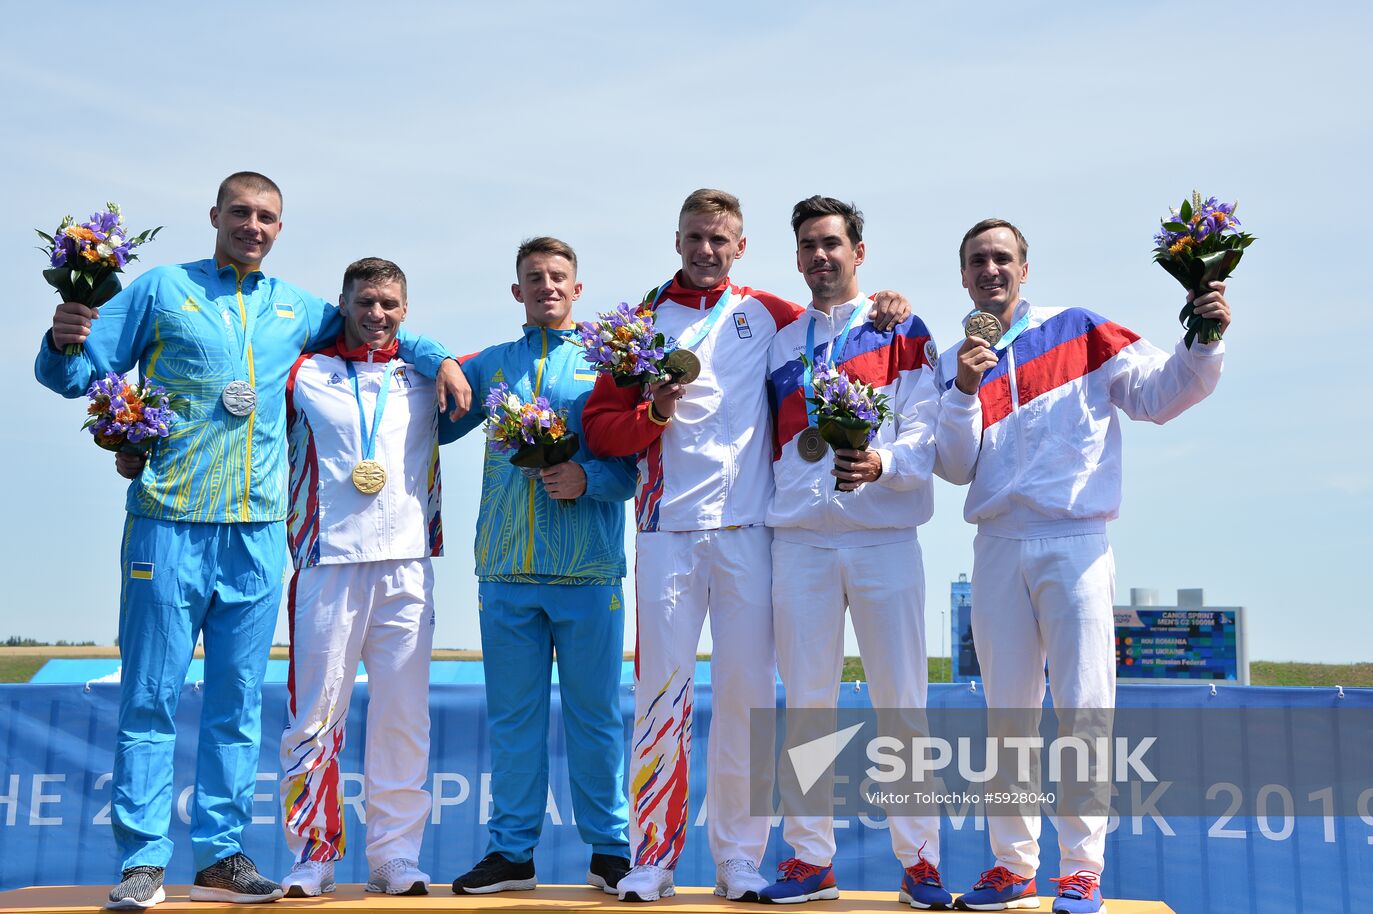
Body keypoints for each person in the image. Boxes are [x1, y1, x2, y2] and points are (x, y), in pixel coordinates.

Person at [35, 172, 468, 910]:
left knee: (238, 703)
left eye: (267, 216)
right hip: (168, 518)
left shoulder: (296, 308)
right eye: (241, 212)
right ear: (215, 215)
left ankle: (220, 854)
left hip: (261, 530)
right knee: (151, 696)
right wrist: (61, 336)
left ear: (279, 227)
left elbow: (377, 322)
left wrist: (441, 356)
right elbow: (75, 374)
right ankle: (142, 860)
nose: (254, 225)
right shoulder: (162, 288)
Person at [582, 189, 909, 903]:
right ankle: (655, 859)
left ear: (741, 247)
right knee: (660, 698)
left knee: (747, 702)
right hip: (667, 532)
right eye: (695, 237)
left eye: (720, 240)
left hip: (754, 534)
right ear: (677, 241)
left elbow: (839, 321)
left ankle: (739, 857)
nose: (707, 250)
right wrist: (653, 410)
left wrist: (887, 304)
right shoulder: (639, 324)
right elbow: (602, 429)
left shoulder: (768, 314)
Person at [934, 219, 1230, 914]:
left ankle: (1081, 870)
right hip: (998, 544)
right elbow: (951, 466)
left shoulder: (1082, 330)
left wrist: (1204, 337)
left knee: (1084, 712)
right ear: (963, 275)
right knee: (1005, 717)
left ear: (1025, 268)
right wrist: (960, 392)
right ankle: (1012, 867)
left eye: (1002, 258)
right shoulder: (959, 356)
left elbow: (1162, 395)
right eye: (978, 261)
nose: (991, 270)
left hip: (1076, 541)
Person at [760, 196, 948, 908]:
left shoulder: (899, 326)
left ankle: (922, 861)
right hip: (801, 541)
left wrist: (884, 465)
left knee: (903, 704)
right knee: (807, 707)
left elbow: (927, 427)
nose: (820, 256)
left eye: (832, 243)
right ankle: (811, 860)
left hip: (883, 538)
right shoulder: (782, 340)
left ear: (859, 253)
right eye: (808, 245)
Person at [443, 238, 637, 897]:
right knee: (513, 719)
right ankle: (512, 853)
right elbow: (432, 417)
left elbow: (638, 457)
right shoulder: (492, 365)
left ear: (577, 289)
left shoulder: (610, 366)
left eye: (558, 277)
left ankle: (610, 850)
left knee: (596, 717)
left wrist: (593, 480)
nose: (547, 286)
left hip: (588, 572)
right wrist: (432, 359)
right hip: (505, 570)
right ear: (517, 292)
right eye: (534, 278)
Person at [275, 257, 445, 898]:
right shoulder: (305, 372)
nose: (377, 314)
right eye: (366, 301)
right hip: (327, 561)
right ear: (344, 303)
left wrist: (443, 357)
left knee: (403, 716)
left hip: (408, 564)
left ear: (406, 309)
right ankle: (313, 855)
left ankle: (395, 855)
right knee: (316, 714)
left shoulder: (427, 374)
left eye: (391, 304)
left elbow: (466, 372)